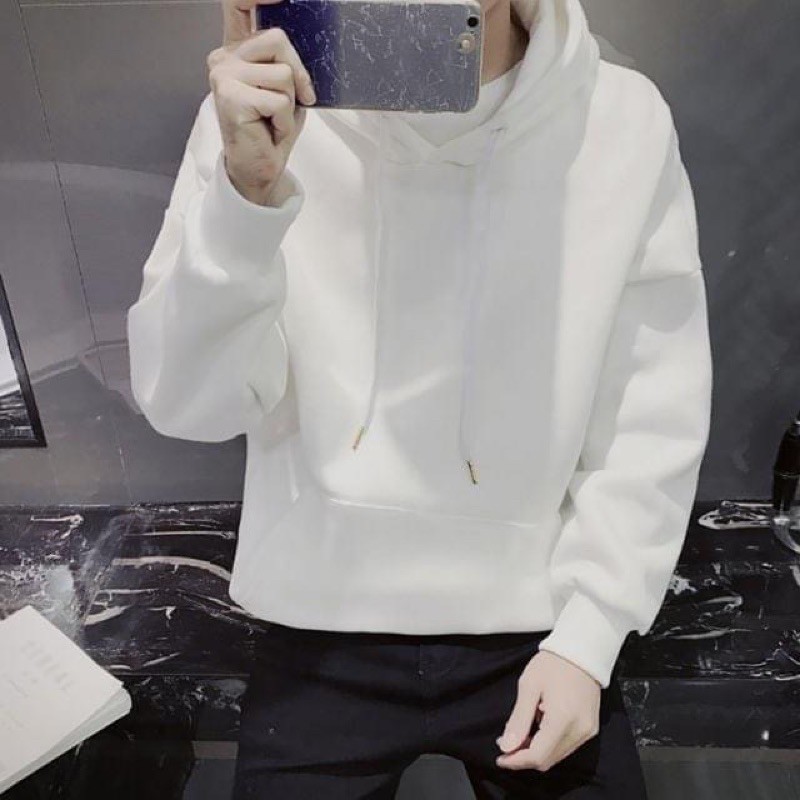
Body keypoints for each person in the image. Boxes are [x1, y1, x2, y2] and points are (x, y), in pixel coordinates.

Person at [126, 0, 713, 795]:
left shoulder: (618, 119)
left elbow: (651, 403)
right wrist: (246, 197)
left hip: (538, 622)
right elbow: (187, 404)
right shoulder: (265, 109)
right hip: (318, 617)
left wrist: (590, 635)